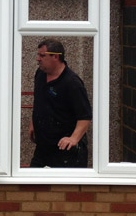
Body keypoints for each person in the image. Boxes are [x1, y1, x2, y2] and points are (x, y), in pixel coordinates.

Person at [29, 39, 92, 168]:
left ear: (55, 56)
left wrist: (73, 139)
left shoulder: (72, 83)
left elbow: (85, 117)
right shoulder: (40, 74)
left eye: (42, 55)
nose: (38, 59)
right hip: (43, 147)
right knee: (32, 184)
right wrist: (33, 123)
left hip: (66, 152)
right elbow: (39, 102)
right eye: (38, 55)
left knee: (64, 188)